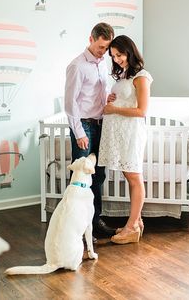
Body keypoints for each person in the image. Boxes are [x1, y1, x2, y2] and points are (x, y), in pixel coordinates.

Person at [98, 35, 153, 244]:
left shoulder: (141, 76)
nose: (117, 59)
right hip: (121, 133)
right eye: (113, 56)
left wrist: (114, 108)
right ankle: (136, 222)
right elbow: (125, 99)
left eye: (119, 55)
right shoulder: (124, 74)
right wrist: (112, 98)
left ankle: (131, 228)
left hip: (131, 133)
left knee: (134, 178)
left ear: (129, 51)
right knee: (130, 178)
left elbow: (141, 111)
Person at [64, 22, 116, 238]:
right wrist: (79, 132)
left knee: (99, 176)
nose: (103, 52)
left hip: (100, 123)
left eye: (106, 48)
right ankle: (74, 227)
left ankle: (94, 223)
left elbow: (97, 95)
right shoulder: (77, 66)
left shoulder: (103, 64)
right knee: (80, 179)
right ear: (91, 39)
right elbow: (71, 103)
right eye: (100, 47)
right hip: (84, 125)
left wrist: (108, 98)